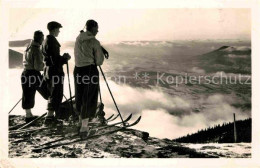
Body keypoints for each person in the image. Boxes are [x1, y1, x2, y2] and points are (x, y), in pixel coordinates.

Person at [74, 19, 108, 137]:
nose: (98, 30)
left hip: (78, 70)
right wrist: (100, 52)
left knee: (79, 95)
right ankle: (84, 128)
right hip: (90, 71)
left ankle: (79, 122)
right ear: (92, 28)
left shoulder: (78, 38)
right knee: (89, 97)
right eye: (96, 28)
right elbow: (99, 61)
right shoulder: (94, 42)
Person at [42, 21, 71, 126]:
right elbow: (55, 60)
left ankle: (50, 116)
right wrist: (65, 58)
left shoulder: (45, 41)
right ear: (54, 29)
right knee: (56, 93)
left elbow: (50, 58)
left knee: (52, 93)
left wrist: (61, 58)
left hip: (48, 71)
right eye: (58, 29)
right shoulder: (52, 41)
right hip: (55, 71)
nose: (59, 31)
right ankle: (49, 118)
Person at [21, 30, 49, 123]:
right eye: (42, 38)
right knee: (47, 92)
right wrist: (45, 65)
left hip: (25, 73)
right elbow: (38, 66)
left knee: (27, 93)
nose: (43, 39)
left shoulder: (28, 46)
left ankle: (28, 115)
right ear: (38, 38)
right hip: (33, 74)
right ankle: (51, 114)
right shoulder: (36, 49)